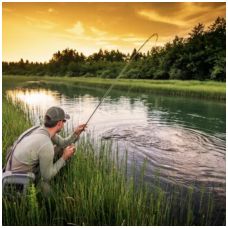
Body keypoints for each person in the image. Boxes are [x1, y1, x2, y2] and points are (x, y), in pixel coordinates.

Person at [5, 106, 87, 197]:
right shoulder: (46, 144)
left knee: (59, 148)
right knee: (50, 195)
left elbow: (63, 143)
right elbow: (46, 176)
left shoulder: (40, 129)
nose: (64, 124)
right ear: (59, 123)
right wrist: (64, 157)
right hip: (17, 180)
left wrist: (75, 134)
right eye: (64, 121)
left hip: (13, 167)